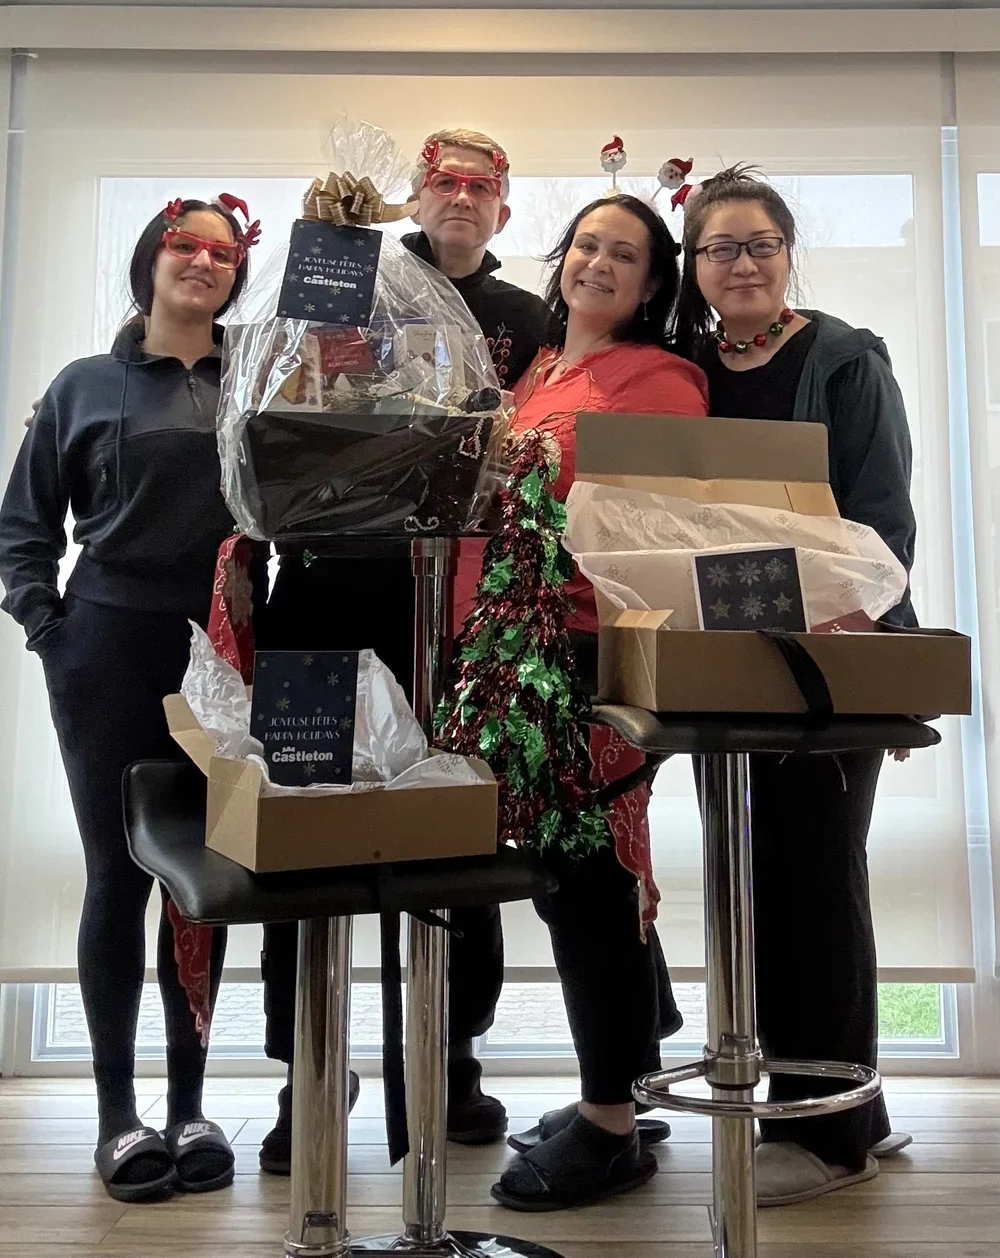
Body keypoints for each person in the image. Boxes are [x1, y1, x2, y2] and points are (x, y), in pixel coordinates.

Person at [255, 129, 556, 1174]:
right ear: (412, 197)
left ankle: (455, 1055)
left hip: (459, 612)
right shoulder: (345, 274)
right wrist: (313, 343)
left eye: (483, 186)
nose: (461, 197)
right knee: (301, 814)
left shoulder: (531, 320)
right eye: (443, 181)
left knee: (458, 824)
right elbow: (272, 408)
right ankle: (308, 1067)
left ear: (505, 211)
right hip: (325, 588)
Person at [0, 196, 265, 1203]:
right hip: (107, 645)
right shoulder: (84, 385)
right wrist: (50, 631)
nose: (202, 262)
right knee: (119, 877)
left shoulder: (261, 379)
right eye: (184, 245)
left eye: (222, 252)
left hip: (227, 648)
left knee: (208, 876)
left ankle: (192, 1103)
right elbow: (22, 527)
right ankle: (119, 1116)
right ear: (151, 259)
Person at [671, 164, 917, 1206]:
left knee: (816, 876)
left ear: (786, 252)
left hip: (828, 650)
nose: (739, 264)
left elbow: (879, 518)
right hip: (717, 654)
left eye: (757, 244)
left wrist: (849, 631)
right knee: (748, 874)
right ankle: (789, 1095)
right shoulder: (682, 365)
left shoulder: (846, 358)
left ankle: (836, 1129)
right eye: (717, 248)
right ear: (693, 267)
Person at [484, 194, 708, 1212]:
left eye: (624, 254)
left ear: (653, 282)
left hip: (594, 649)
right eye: (586, 245)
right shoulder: (537, 369)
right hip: (516, 647)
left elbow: (651, 529)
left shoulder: (661, 380)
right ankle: (629, 1071)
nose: (598, 264)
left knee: (584, 873)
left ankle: (610, 1123)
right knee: (576, 869)